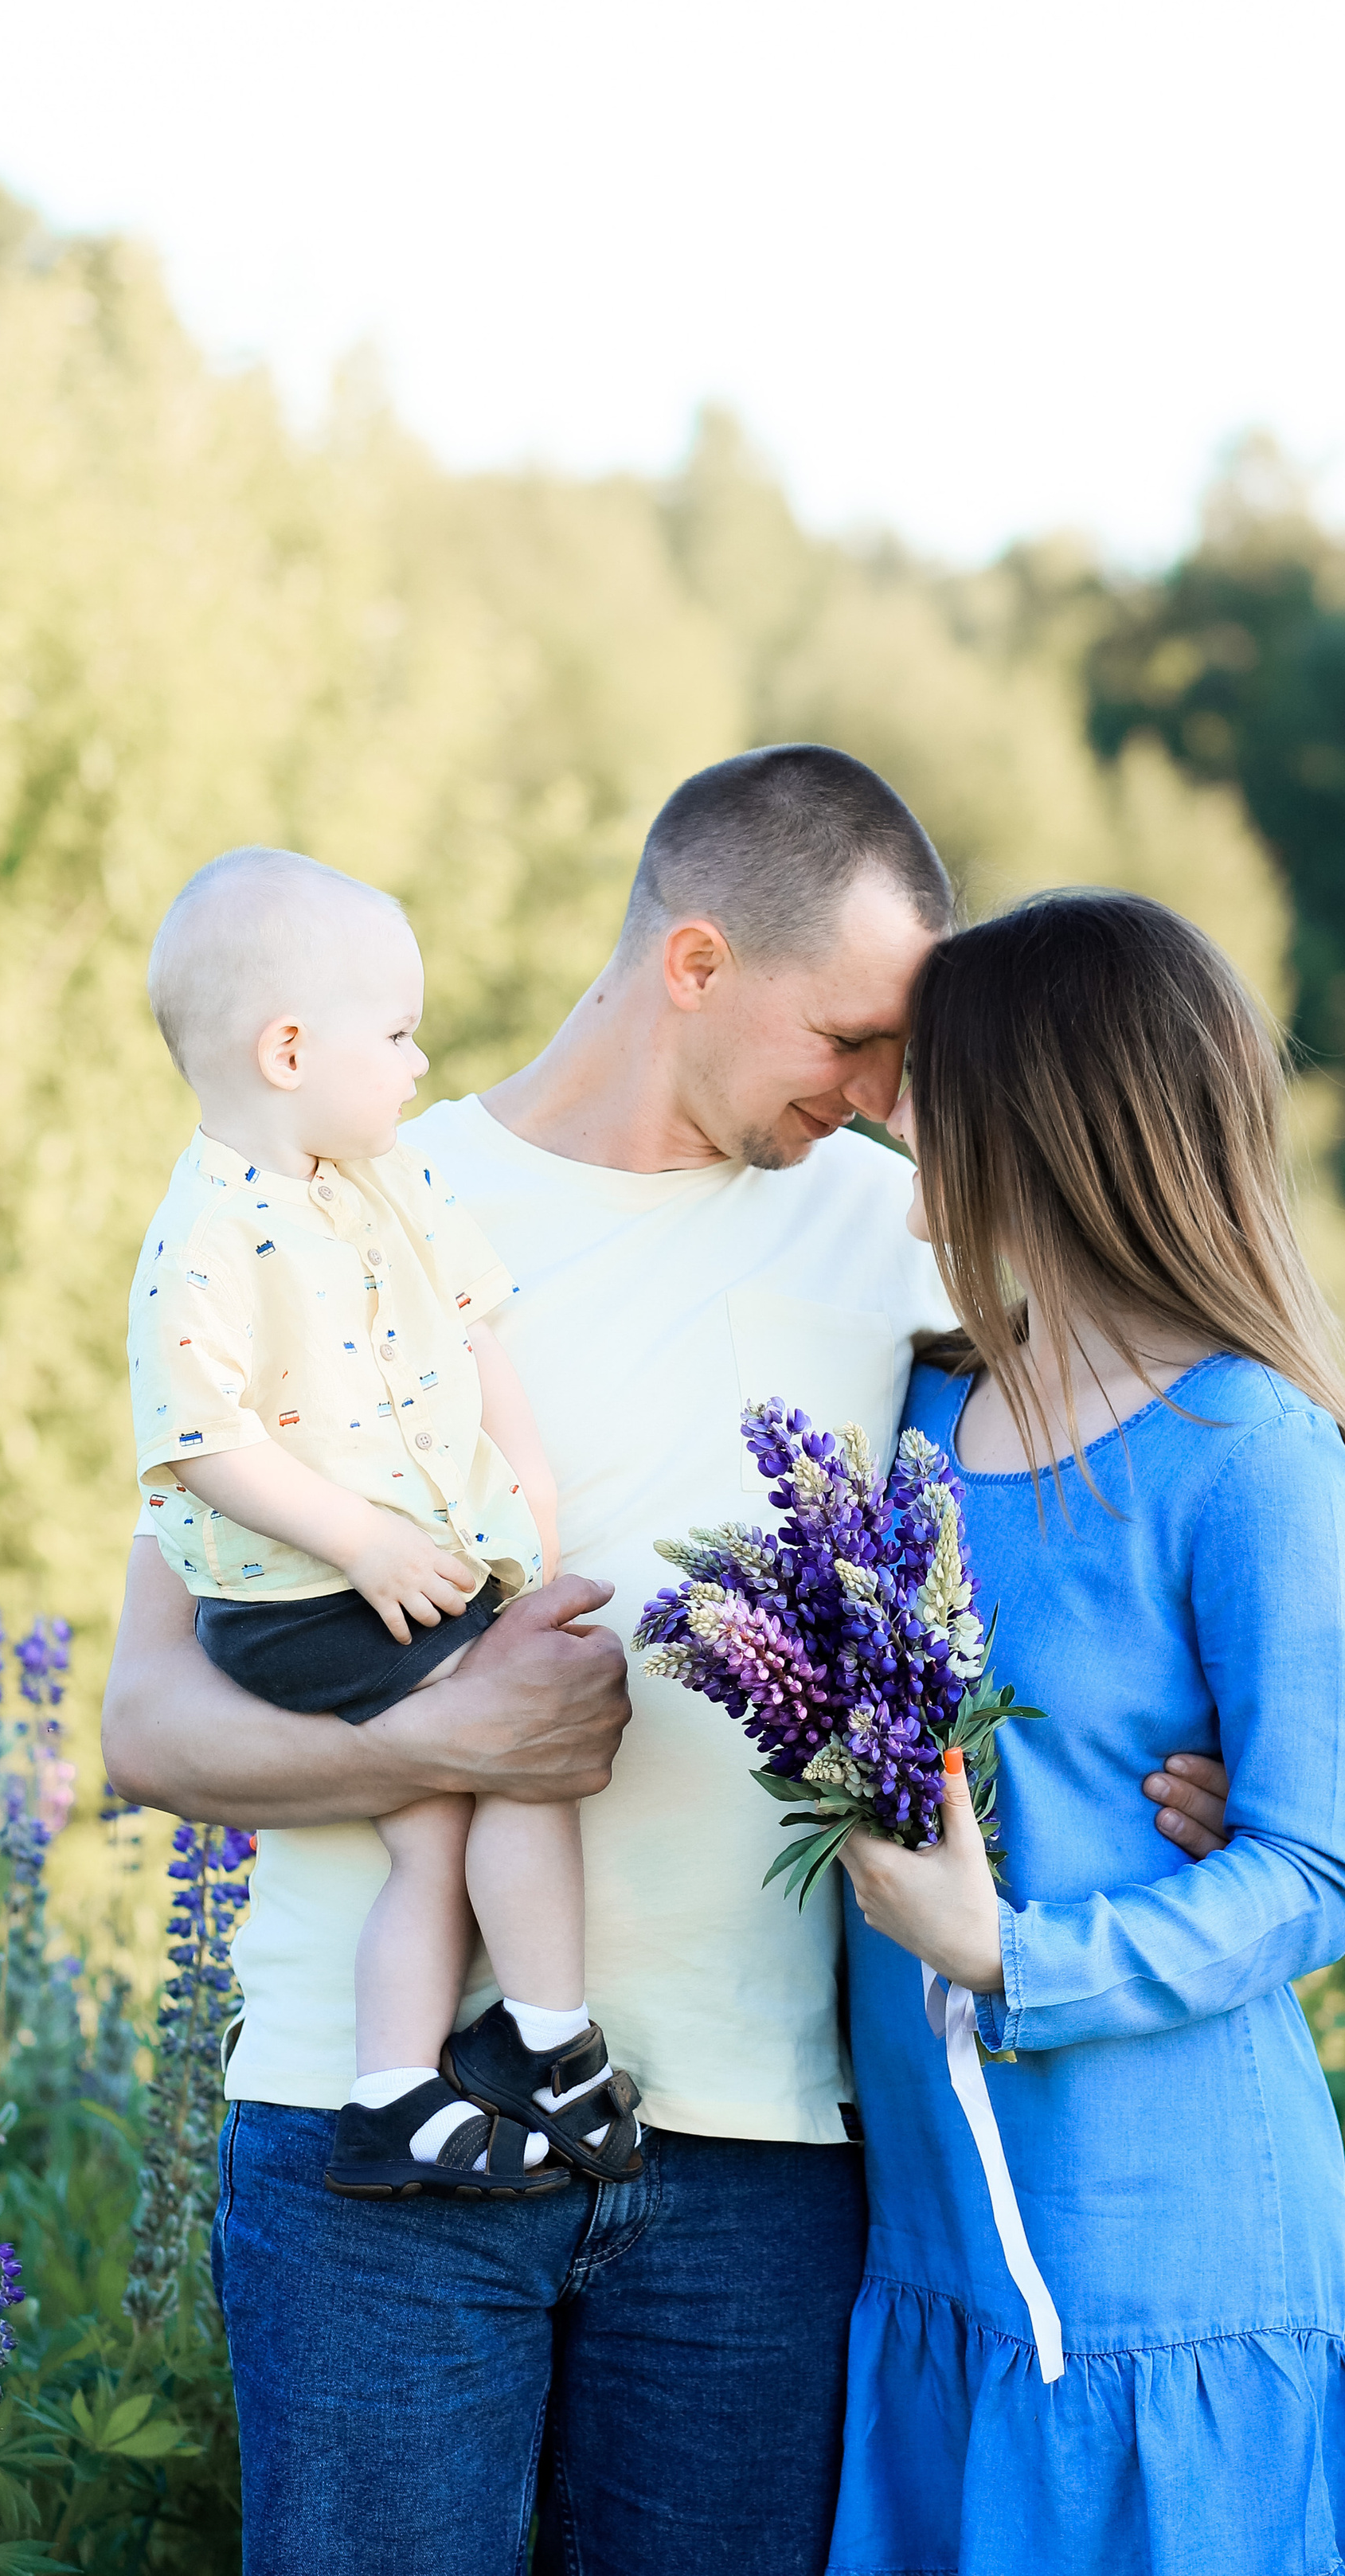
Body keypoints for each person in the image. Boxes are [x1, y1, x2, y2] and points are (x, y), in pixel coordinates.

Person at [100, 749, 1232, 2576]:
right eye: (853, 1039)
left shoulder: (907, 1234)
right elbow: (147, 1722)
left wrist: (1195, 1748)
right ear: (695, 963)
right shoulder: (339, 1200)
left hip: (757, 2164)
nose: (883, 1096)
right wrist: (449, 1740)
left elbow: (1140, 1486)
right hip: (376, 2135)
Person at [835, 889, 1345, 2576]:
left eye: (925, 1078)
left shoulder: (1256, 1457)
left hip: (1160, 2243)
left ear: (1044, 1114)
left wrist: (1011, 1952)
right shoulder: (922, 1409)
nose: (887, 1106)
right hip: (930, 2233)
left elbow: (1309, 1868)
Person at [131, 846, 639, 2203]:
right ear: (289, 1047)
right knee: (518, 1751)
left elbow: (477, 1325)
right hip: (304, 1599)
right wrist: (359, 1540)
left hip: (393, 1576)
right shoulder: (204, 1232)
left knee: (430, 1824)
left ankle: (390, 2091)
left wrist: (523, 1475)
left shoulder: (382, 1178)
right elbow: (204, 1436)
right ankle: (552, 2043)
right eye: (398, 1033)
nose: (419, 1064)